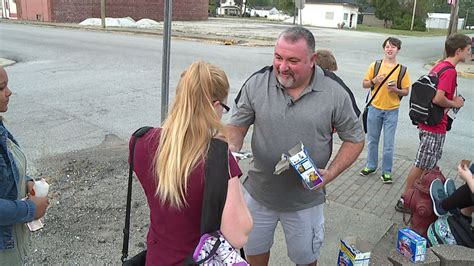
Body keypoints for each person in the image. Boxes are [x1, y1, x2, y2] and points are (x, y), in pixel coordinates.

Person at [227, 26, 364, 266]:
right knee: (254, 254)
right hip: (259, 194)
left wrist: (331, 173)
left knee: (306, 260)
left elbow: (355, 138)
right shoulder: (258, 82)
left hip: (305, 201)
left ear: (312, 60)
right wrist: (231, 151)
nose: (282, 66)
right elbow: (237, 126)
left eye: (292, 60)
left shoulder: (335, 91)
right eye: (278, 57)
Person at [130, 61, 252, 265]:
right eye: (224, 107)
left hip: (157, 258)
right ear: (215, 106)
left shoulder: (139, 142)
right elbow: (238, 235)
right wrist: (228, 167)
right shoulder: (218, 158)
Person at [396, 33, 470, 213]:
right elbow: (438, 98)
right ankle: (406, 200)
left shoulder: (440, 65)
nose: (470, 53)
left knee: (426, 163)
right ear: (458, 51)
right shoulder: (450, 71)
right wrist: (455, 103)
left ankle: (414, 196)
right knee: (422, 163)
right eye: (468, 50)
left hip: (429, 122)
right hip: (434, 126)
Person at [0, 66, 49, 264]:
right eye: (1, 87)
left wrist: (26, 182)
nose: (9, 92)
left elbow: (7, 169)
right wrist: (30, 209)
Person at [359, 37, 411, 184]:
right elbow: (364, 84)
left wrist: (395, 89)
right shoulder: (375, 66)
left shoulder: (402, 70)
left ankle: (387, 172)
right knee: (372, 140)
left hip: (392, 110)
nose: (390, 49)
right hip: (374, 108)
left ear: (398, 50)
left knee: (388, 144)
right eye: (387, 46)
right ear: (384, 48)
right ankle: (371, 166)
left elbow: (406, 91)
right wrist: (375, 81)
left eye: (393, 47)